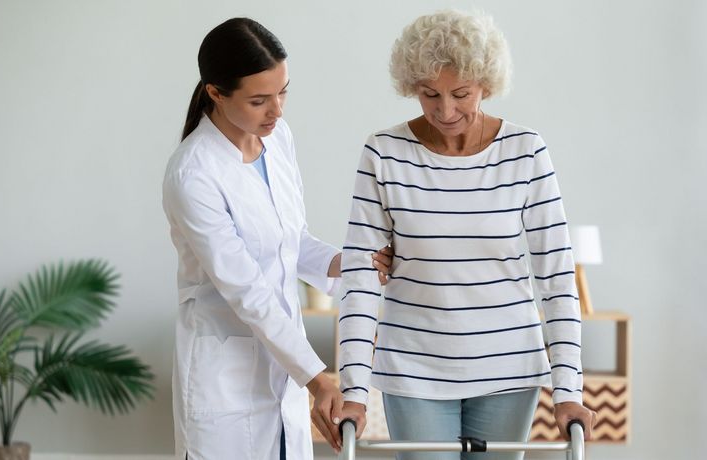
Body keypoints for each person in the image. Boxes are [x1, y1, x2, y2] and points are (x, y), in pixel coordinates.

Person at [337, 10, 596, 459]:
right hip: (413, 366)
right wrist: (354, 389)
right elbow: (360, 280)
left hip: (509, 366)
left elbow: (556, 278)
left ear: (486, 84)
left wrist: (568, 387)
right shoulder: (384, 153)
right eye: (428, 94)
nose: (445, 110)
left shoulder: (525, 152)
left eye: (461, 94)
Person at [162, 17, 391, 459]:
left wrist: (356, 260)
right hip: (225, 379)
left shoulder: (277, 139)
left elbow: (291, 242)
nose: (278, 111)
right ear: (215, 92)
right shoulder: (193, 174)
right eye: (259, 100)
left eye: (283, 92)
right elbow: (247, 291)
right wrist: (316, 377)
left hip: (281, 376)